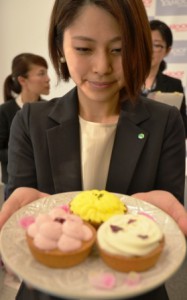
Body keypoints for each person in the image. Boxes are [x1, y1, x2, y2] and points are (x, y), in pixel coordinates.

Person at [0, 0, 186, 299]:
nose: (102, 67)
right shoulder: (30, 120)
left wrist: (164, 211)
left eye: (119, 49)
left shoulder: (165, 121)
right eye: (84, 49)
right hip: (48, 286)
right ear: (60, 47)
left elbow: (168, 208)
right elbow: (22, 204)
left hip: (136, 285)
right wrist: (20, 206)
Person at [0, 53, 50, 199]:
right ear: (23, 80)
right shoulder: (5, 111)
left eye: (46, 73)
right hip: (15, 188)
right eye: (41, 74)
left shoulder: (50, 110)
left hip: (45, 188)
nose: (48, 79)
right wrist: (24, 150)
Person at [141, 19, 187, 137]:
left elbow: (183, 127)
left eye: (156, 45)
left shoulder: (174, 85)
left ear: (167, 50)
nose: (150, 50)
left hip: (161, 148)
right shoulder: (125, 82)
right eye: (146, 43)